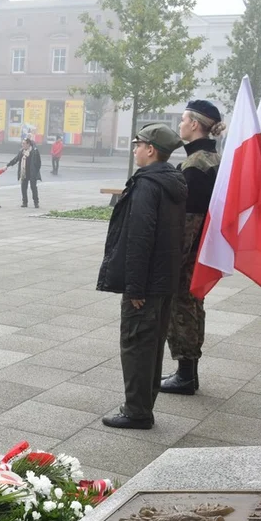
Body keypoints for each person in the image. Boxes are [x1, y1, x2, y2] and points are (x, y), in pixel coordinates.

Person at [96, 123, 187, 430]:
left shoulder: (147, 185)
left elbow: (140, 238)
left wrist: (135, 286)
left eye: (138, 144)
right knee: (152, 344)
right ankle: (144, 404)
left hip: (146, 282)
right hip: (163, 280)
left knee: (136, 344)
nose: (134, 148)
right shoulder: (172, 181)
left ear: (150, 150)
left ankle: (136, 411)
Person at [161, 101, 226, 396]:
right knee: (192, 303)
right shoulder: (211, 158)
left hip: (188, 251)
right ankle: (188, 372)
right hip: (201, 249)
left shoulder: (196, 167)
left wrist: (171, 262)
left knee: (182, 303)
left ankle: (185, 374)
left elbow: (189, 220)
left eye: (183, 119)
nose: (180, 123)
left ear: (196, 124)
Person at [7, 137, 42, 208]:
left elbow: (39, 163)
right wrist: (8, 165)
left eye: (24, 143)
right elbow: (16, 159)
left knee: (33, 187)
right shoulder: (22, 151)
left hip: (32, 173)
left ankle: (36, 202)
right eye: (22, 143)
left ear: (28, 144)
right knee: (23, 188)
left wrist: (35, 171)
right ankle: (24, 202)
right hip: (24, 172)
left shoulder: (34, 151)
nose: (22, 145)